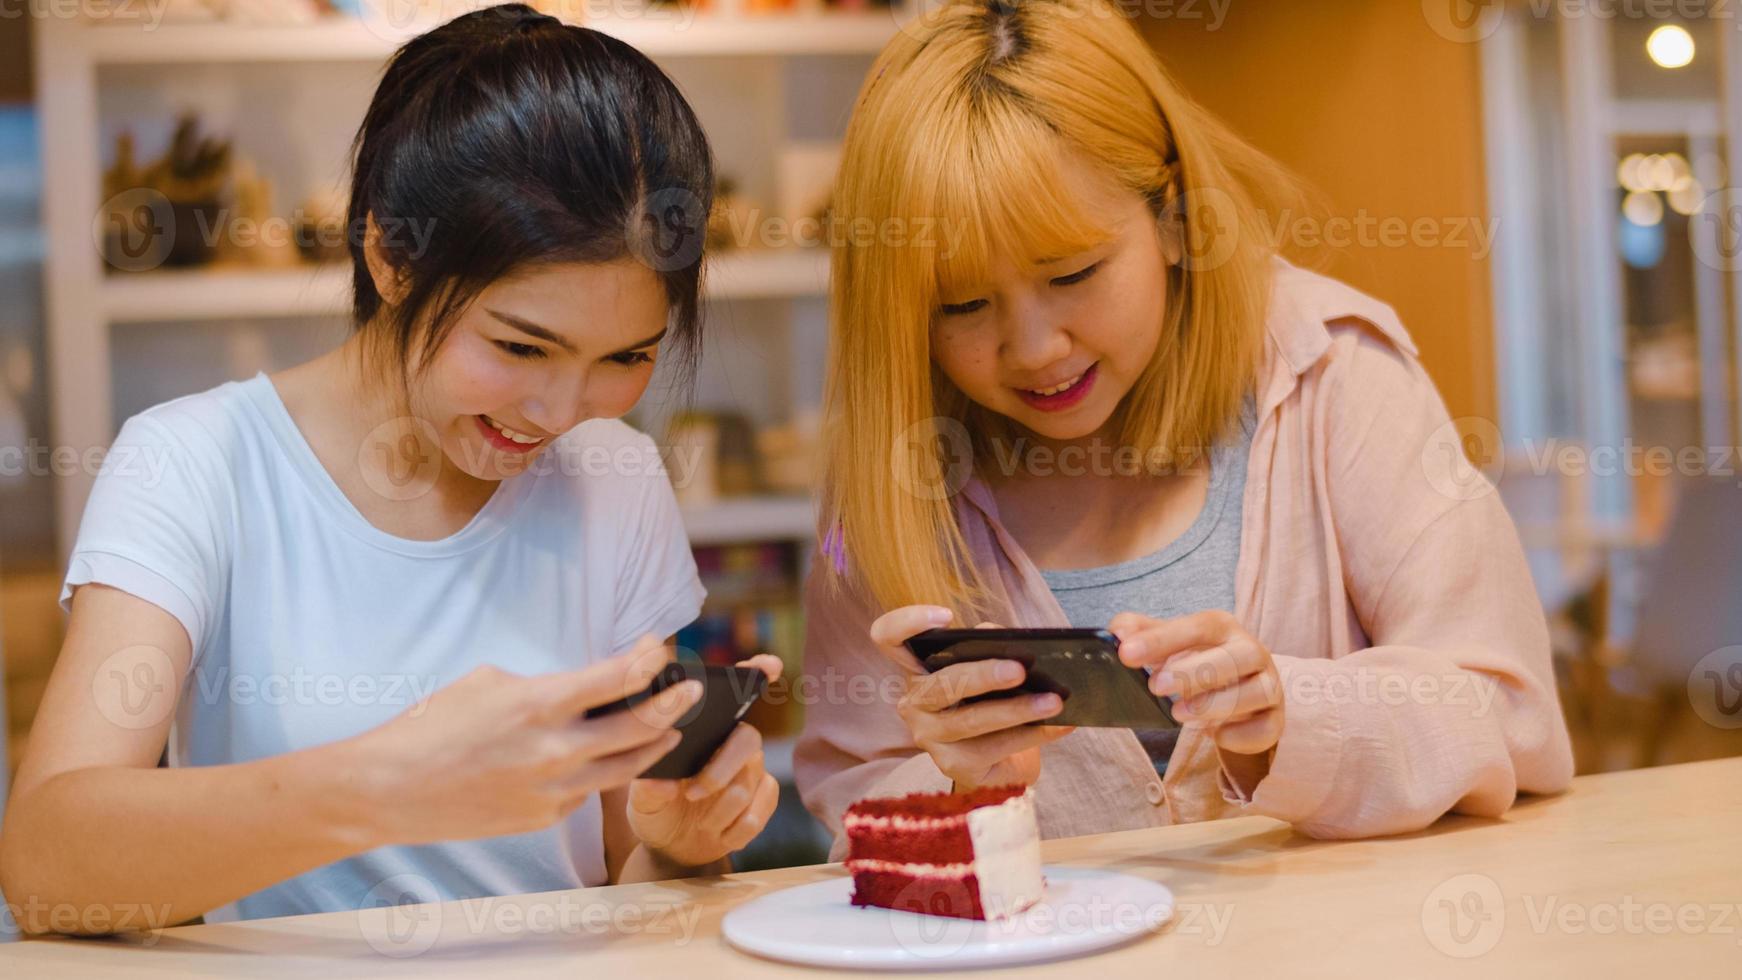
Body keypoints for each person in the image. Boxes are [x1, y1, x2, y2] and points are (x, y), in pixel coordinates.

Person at [0, 5, 779, 932]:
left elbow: (630, 875)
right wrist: (391, 783)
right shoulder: (195, 462)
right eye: (522, 347)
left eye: (624, 358)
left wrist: (682, 840)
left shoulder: (614, 475)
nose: (560, 413)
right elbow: (49, 861)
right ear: (389, 254)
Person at [795, 0, 1573, 855]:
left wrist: (1293, 719)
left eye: (1074, 272)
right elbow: (850, 806)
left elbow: (1513, 717)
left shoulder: (1333, 371)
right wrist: (958, 787)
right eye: (963, 305)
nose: (1034, 349)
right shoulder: (889, 467)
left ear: (1174, 216)